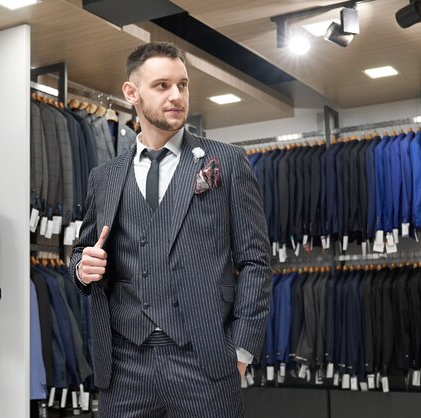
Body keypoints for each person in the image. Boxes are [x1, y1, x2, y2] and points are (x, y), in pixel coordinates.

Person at [69, 41, 272, 418]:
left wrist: (241, 350)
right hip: (124, 365)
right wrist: (82, 267)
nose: (176, 95)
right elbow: (82, 252)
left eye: (183, 84)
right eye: (162, 86)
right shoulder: (105, 177)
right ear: (131, 93)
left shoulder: (225, 162)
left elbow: (257, 263)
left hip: (205, 362)